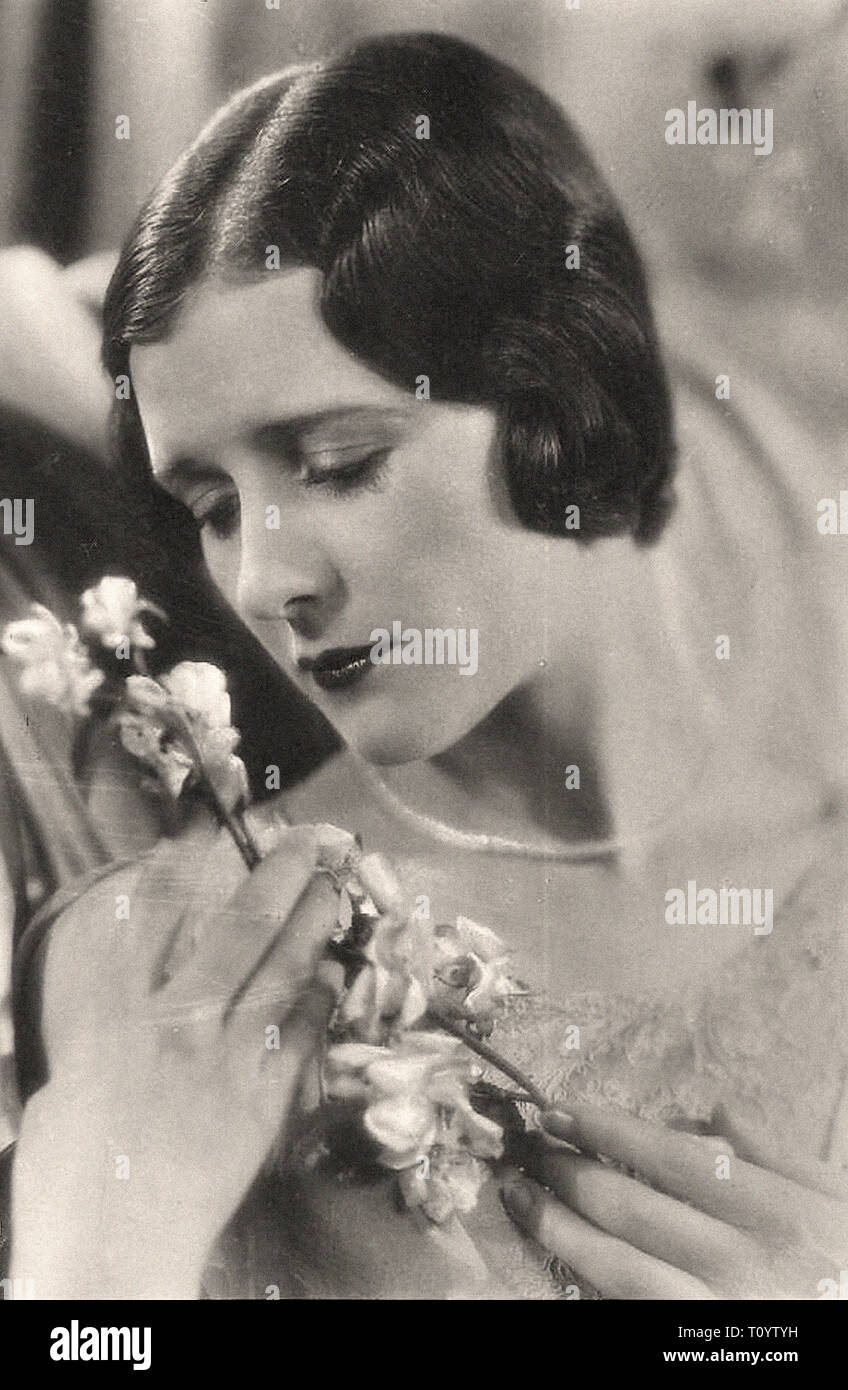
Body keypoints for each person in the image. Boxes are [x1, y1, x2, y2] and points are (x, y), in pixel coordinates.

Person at [8, 32, 848, 1300]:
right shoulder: (169, 971)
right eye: (212, 505)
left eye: (338, 462)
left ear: (555, 395)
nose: (261, 581)